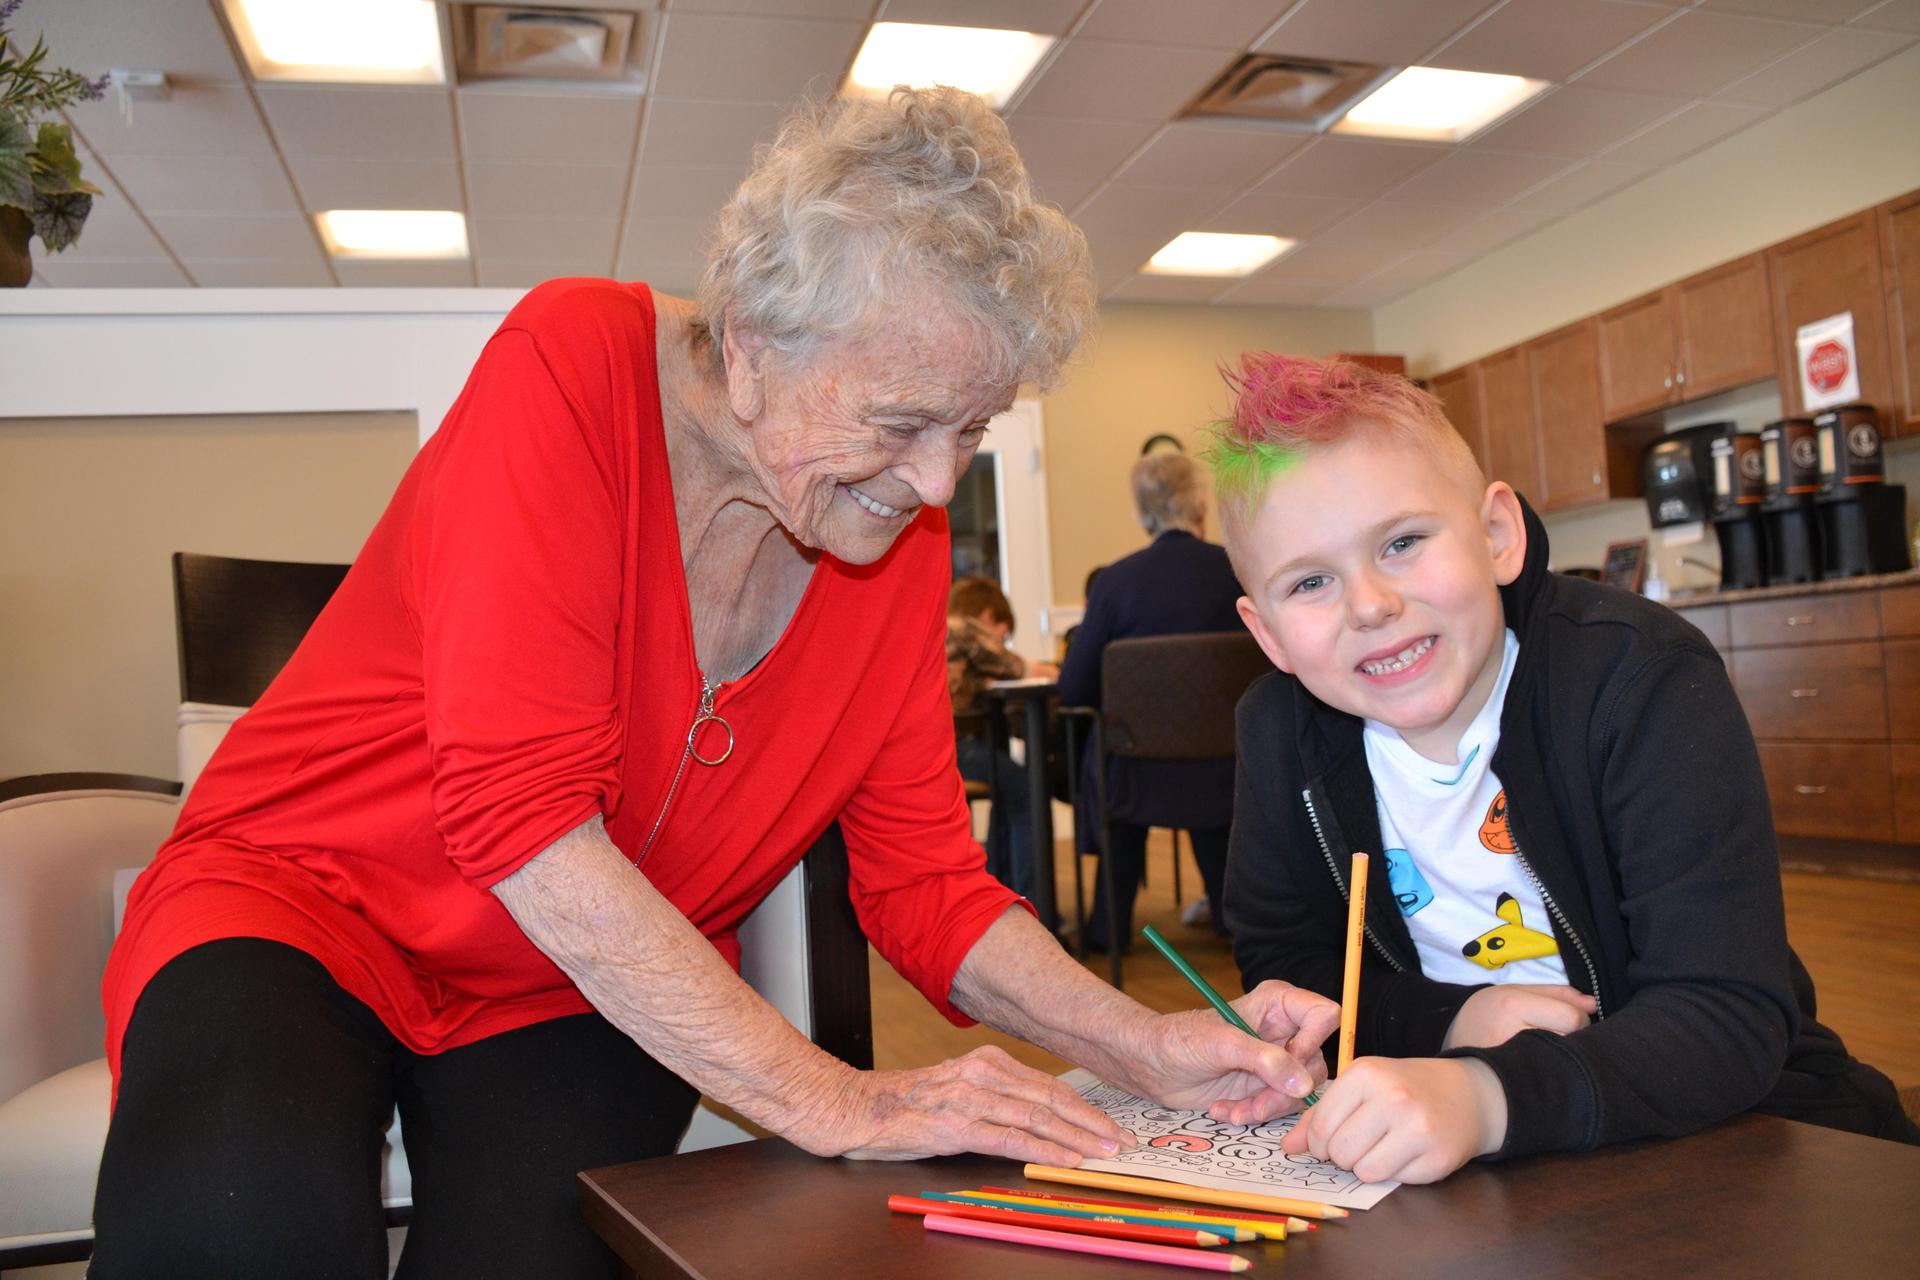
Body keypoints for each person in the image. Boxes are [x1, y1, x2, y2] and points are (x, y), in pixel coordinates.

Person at [89, 90, 1343, 1280]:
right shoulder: (568, 365)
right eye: (901, 421)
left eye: (971, 429)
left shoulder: (892, 544)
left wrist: (1146, 1044)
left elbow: (926, 883)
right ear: (748, 348)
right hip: (303, 903)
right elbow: (520, 819)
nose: (934, 483)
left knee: (549, 1254)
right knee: (238, 1217)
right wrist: (834, 1096)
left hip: (576, 981)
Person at [1210, 353, 1920, 1188]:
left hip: (1740, 1119)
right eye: (1311, 582)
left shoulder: (1638, 679)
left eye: (1402, 543)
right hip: (1477, 1145)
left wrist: (1487, 1095)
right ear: (1267, 633)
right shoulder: (1278, 733)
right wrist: (1455, 1023)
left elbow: (1728, 1013)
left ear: (1497, 535)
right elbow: (1290, 969)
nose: (1370, 605)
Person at [1057, 451, 1244, 950]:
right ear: (1200, 504)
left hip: (1135, 777)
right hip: (1227, 770)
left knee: (1110, 747)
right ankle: (1233, 917)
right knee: (1213, 759)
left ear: (1142, 514)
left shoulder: (1116, 582)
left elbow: (1073, 689)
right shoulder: (1237, 571)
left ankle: (1109, 928)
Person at [947, 575, 1057, 899]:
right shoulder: (966, 630)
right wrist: (1060, 671)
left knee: (1006, 784)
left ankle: (1000, 891)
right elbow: (1022, 669)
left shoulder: (944, 630)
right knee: (1026, 789)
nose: (1001, 643)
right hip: (953, 748)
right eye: (1003, 635)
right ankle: (1030, 900)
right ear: (989, 616)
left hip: (928, 747)